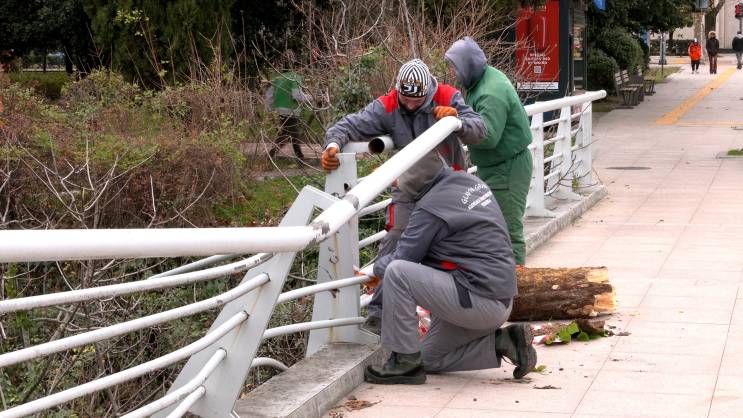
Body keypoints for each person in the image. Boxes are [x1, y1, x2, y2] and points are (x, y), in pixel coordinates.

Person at [321, 59, 486, 335]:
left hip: (448, 187)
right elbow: (348, 125)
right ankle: (379, 312)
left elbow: (479, 129)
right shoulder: (388, 105)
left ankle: (457, 311)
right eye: (405, 99)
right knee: (396, 239)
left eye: (416, 101)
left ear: (428, 92)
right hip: (409, 187)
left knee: (452, 245)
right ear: (398, 90)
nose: (409, 106)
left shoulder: (447, 96)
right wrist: (332, 145)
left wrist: (457, 122)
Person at [364, 151, 537, 385]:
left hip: (478, 300)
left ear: (413, 179)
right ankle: (505, 342)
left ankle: (404, 363)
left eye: (398, 179)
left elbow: (402, 258)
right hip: (498, 299)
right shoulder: (468, 181)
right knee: (427, 359)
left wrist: (372, 270)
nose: (396, 185)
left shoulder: (431, 208)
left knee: (397, 272)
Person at [444, 37, 533, 266]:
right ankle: (502, 282)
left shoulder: (490, 93)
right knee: (494, 230)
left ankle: (516, 283)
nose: (453, 73)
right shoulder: (485, 79)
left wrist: (459, 125)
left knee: (508, 231)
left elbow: (488, 136)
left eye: (455, 67)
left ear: (467, 65)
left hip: (507, 169)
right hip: (497, 165)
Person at [265, 71, 313, 159]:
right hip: (291, 110)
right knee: (292, 133)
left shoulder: (278, 77)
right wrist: (311, 97)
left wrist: (270, 109)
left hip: (280, 109)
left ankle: (273, 154)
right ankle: (299, 157)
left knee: (288, 133)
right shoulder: (295, 77)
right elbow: (297, 95)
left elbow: (269, 95)